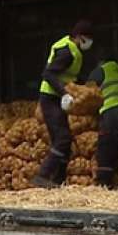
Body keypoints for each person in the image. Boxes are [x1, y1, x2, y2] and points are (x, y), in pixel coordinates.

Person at [32, 19, 93, 188]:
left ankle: (58, 180)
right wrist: (64, 93)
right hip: (51, 97)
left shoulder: (74, 50)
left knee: (64, 140)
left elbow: (70, 77)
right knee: (63, 139)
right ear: (80, 36)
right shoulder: (67, 51)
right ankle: (42, 176)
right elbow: (49, 74)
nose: (89, 43)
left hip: (56, 98)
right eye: (88, 39)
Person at [86, 55, 118, 188]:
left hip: (112, 110)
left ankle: (104, 183)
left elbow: (87, 93)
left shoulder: (101, 70)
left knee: (106, 146)